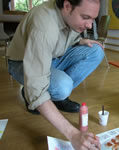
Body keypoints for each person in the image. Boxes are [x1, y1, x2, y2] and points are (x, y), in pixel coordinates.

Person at [7, 0, 104, 149]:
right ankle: (32, 91)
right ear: (67, 6)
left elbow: (68, 37)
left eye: (93, 19)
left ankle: (54, 96)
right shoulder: (44, 26)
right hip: (21, 63)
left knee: (96, 51)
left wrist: (81, 40)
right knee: (61, 86)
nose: (90, 25)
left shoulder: (69, 16)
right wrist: (73, 134)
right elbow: (37, 89)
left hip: (53, 58)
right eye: (86, 17)